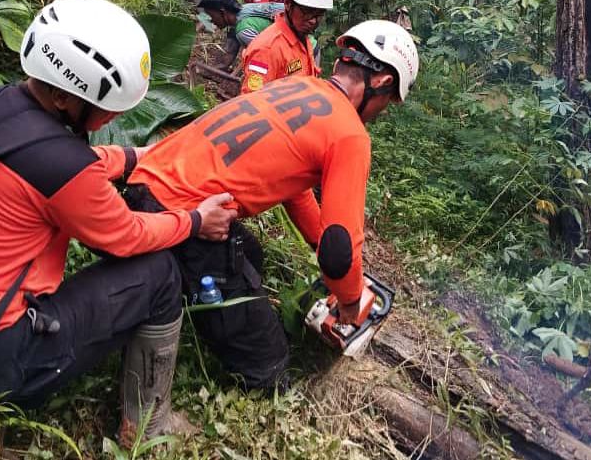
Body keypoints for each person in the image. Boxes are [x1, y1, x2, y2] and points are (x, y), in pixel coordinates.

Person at [0, 0, 236, 445]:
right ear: (64, 98)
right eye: (108, 104)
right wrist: (195, 220)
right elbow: (126, 235)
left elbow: (59, 158)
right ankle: (147, 424)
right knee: (161, 274)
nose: (118, 115)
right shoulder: (64, 169)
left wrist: (137, 157)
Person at [96, 20, 419, 391]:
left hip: (147, 187)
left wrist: (316, 240)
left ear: (340, 62)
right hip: (181, 216)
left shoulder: (296, 86)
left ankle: (198, 304)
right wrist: (349, 300)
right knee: (269, 363)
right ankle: (245, 359)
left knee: (250, 254)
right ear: (383, 82)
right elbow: (339, 252)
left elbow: (296, 192)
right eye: (387, 104)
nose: (381, 111)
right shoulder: (350, 134)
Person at [240, 0, 332, 93]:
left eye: (319, 14)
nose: (313, 21)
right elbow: (252, 100)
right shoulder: (266, 49)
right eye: (307, 12)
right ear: (288, 4)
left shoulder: (302, 38)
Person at [198, 0, 285, 69]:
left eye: (211, 15)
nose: (211, 20)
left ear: (222, 12)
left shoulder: (243, 30)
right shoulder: (245, 9)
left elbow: (269, 58)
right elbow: (230, 53)